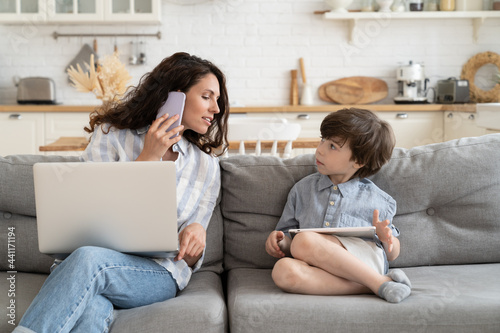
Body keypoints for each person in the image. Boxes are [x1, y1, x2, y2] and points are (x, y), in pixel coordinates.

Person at [14, 52, 229, 333]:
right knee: (91, 307)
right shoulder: (110, 136)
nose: (216, 109)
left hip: (157, 273)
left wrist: (198, 230)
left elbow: (188, 255)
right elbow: (89, 211)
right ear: (173, 97)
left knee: (90, 261)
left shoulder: (206, 166)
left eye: (218, 100)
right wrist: (148, 158)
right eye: (207, 96)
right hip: (86, 267)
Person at [265, 108, 412, 303]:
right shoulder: (302, 190)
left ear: (359, 161)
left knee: (304, 241)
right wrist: (279, 241)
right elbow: (289, 242)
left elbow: (392, 255)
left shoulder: (378, 199)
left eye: (332, 146)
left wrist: (387, 239)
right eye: (322, 140)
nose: (320, 149)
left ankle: (374, 279)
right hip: (320, 268)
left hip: (364, 261)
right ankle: (378, 284)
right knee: (283, 270)